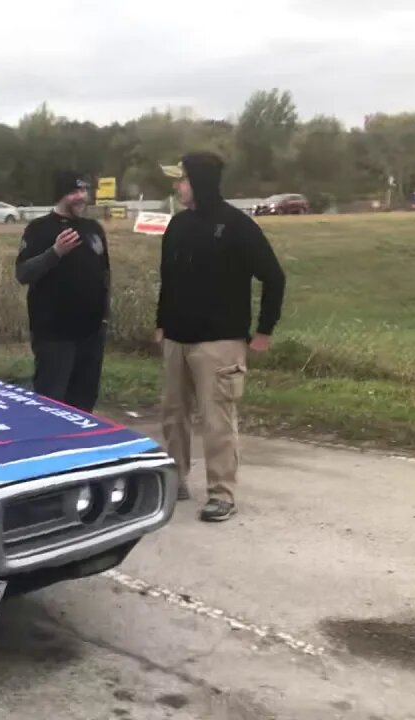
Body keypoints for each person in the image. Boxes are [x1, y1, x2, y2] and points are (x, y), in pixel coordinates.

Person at [156, 152, 286, 522]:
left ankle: (221, 493)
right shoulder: (177, 226)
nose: (177, 187)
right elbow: (168, 278)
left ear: (199, 182)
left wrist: (264, 330)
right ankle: (176, 480)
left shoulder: (236, 226)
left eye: (181, 180)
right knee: (173, 415)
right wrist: (161, 323)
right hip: (176, 340)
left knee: (217, 420)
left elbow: (274, 278)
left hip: (220, 343)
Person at [15, 170, 110, 412]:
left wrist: (105, 317)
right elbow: (23, 273)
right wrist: (55, 252)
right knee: (53, 405)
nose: (82, 197)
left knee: (84, 404)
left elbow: (104, 274)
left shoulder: (93, 229)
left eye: (84, 191)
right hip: (55, 335)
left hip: (91, 333)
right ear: (61, 195)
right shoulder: (39, 229)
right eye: (74, 192)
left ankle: (83, 448)